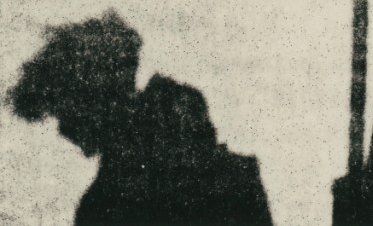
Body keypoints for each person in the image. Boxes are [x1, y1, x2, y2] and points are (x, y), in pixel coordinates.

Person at [7, 12, 274, 225]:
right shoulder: (228, 170)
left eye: (65, 114)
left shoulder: (105, 204)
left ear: (94, 101)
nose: (63, 131)